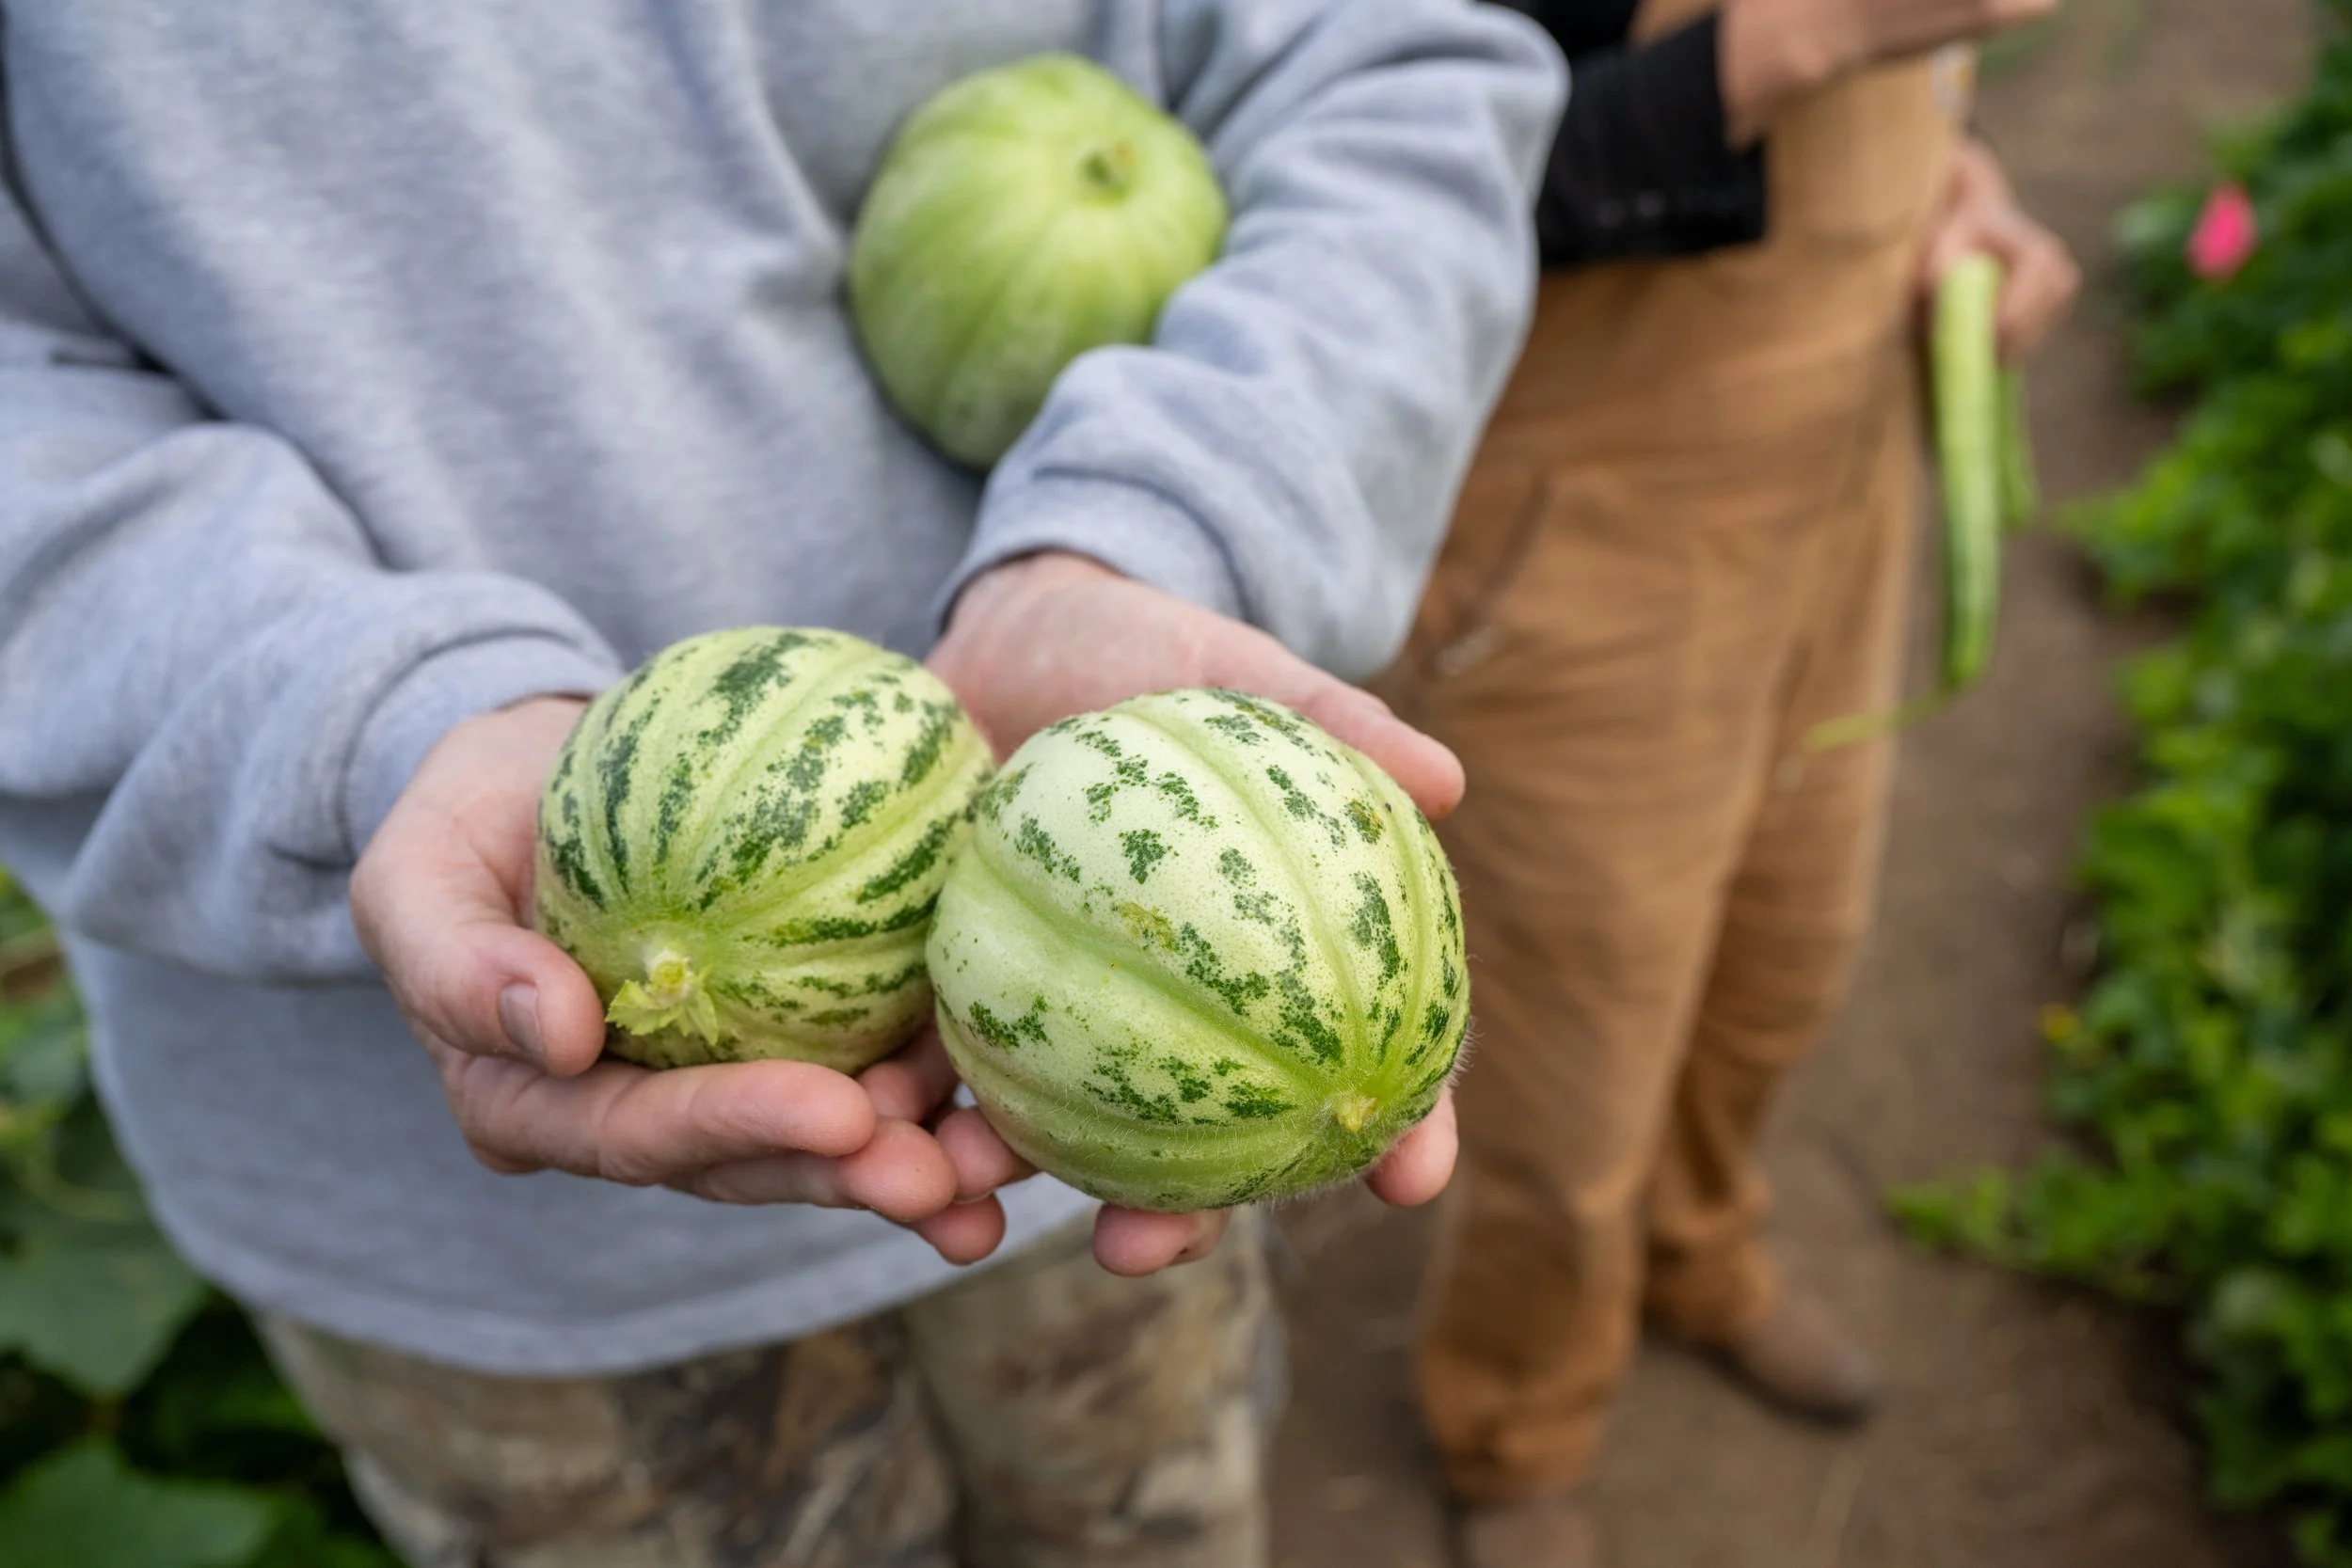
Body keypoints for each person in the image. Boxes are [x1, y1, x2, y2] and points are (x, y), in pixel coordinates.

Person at [0, 6, 1562, 1564]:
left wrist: (1157, 518)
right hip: (464, 1263)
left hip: (1078, 1173)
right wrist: (370, 723)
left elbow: (1402, 68)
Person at [1379, 1, 2081, 1563]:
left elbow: (1913, 91)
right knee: (1570, 1075)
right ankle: (1516, 1422)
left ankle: (1700, 1253)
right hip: (1587, 535)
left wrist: (1960, 185)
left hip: (1839, 486)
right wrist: (1821, 33)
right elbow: (1390, 172)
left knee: (1786, 958)